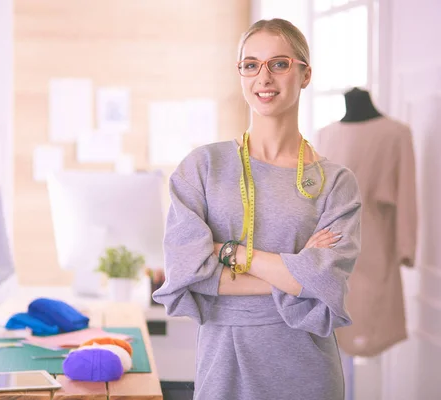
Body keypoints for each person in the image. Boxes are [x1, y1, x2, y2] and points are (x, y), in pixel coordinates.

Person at [152, 18, 362, 400]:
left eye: (279, 64)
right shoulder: (202, 168)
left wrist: (231, 253)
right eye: (251, 65)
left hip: (308, 370)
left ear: (305, 74)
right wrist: (297, 274)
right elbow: (188, 272)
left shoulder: (336, 182)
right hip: (224, 365)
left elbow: (328, 283)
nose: (263, 77)